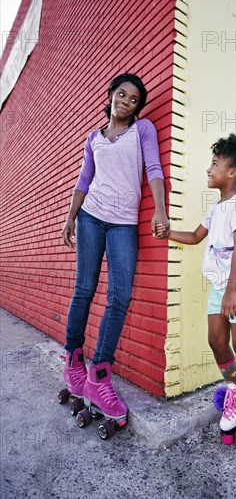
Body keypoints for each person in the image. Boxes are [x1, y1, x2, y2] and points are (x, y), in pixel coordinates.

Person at [156, 133, 236, 470]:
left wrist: (231, 290)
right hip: (221, 284)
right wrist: (168, 232)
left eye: (215, 164)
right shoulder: (217, 207)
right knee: (215, 340)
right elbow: (197, 237)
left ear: (233, 172)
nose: (209, 168)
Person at [60, 73, 169, 423]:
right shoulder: (93, 139)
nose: (126, 101)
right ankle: (73, 362)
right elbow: (83, 181)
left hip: (124, 223)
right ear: (110, 95)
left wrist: (160, 210)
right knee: (84, 289)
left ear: (138, 107)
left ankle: (99, 375)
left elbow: (153, 168)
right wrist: (70, 217)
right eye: (121, 94)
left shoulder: (143, 131)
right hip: (91, 217)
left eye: (134, 99)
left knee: (120, 296)